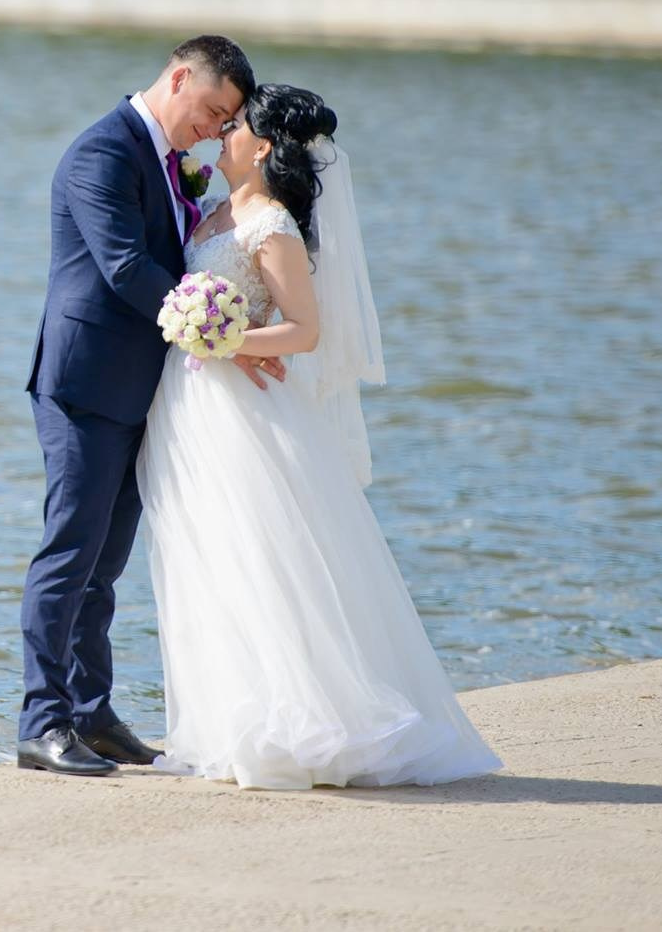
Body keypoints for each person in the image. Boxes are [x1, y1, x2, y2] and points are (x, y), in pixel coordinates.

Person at [136, 85, 503, 789]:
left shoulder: (270, 223)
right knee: (203, 556)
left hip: (239, 410)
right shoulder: (218, 206)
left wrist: (224, 336)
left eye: (235, 126)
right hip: (191, 400)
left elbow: (305, 330)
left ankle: (298, 722)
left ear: (266, 145)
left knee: (253, 558)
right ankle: (224, 722)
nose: (221, 134)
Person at [18, 36, 271, 777]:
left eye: (228, 123)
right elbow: (125, 265)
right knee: (69, 553)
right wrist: (224, 332)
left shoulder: (173, 165)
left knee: (105, 565)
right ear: (179, 76)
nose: (214, 130)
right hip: (85, 384)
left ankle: (92, 714)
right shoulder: (103, 151)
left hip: (142, 388)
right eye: (213, 110)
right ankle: (42, 722)